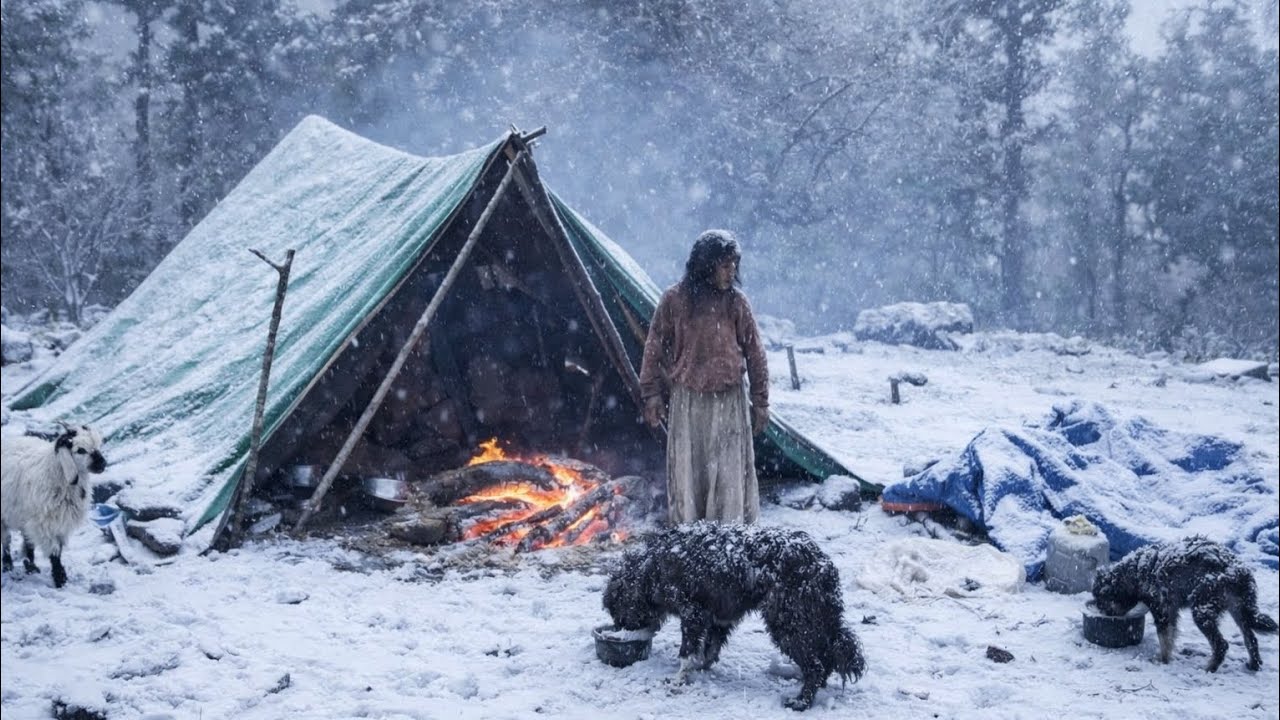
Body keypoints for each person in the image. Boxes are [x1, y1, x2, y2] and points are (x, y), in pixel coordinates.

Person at [639, 229, 769, 525]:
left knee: (728, 472)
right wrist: (651, 394)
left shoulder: (736, 303)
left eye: (734, 264)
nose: (731, 271)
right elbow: (654, 346)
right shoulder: (674, 300)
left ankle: (729, 533)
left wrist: (761, 401)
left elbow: (755, 352)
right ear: (706, 265)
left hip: (729, 400)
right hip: (689, 401)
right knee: (690, 471)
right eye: (725, 264)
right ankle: (691, 532)